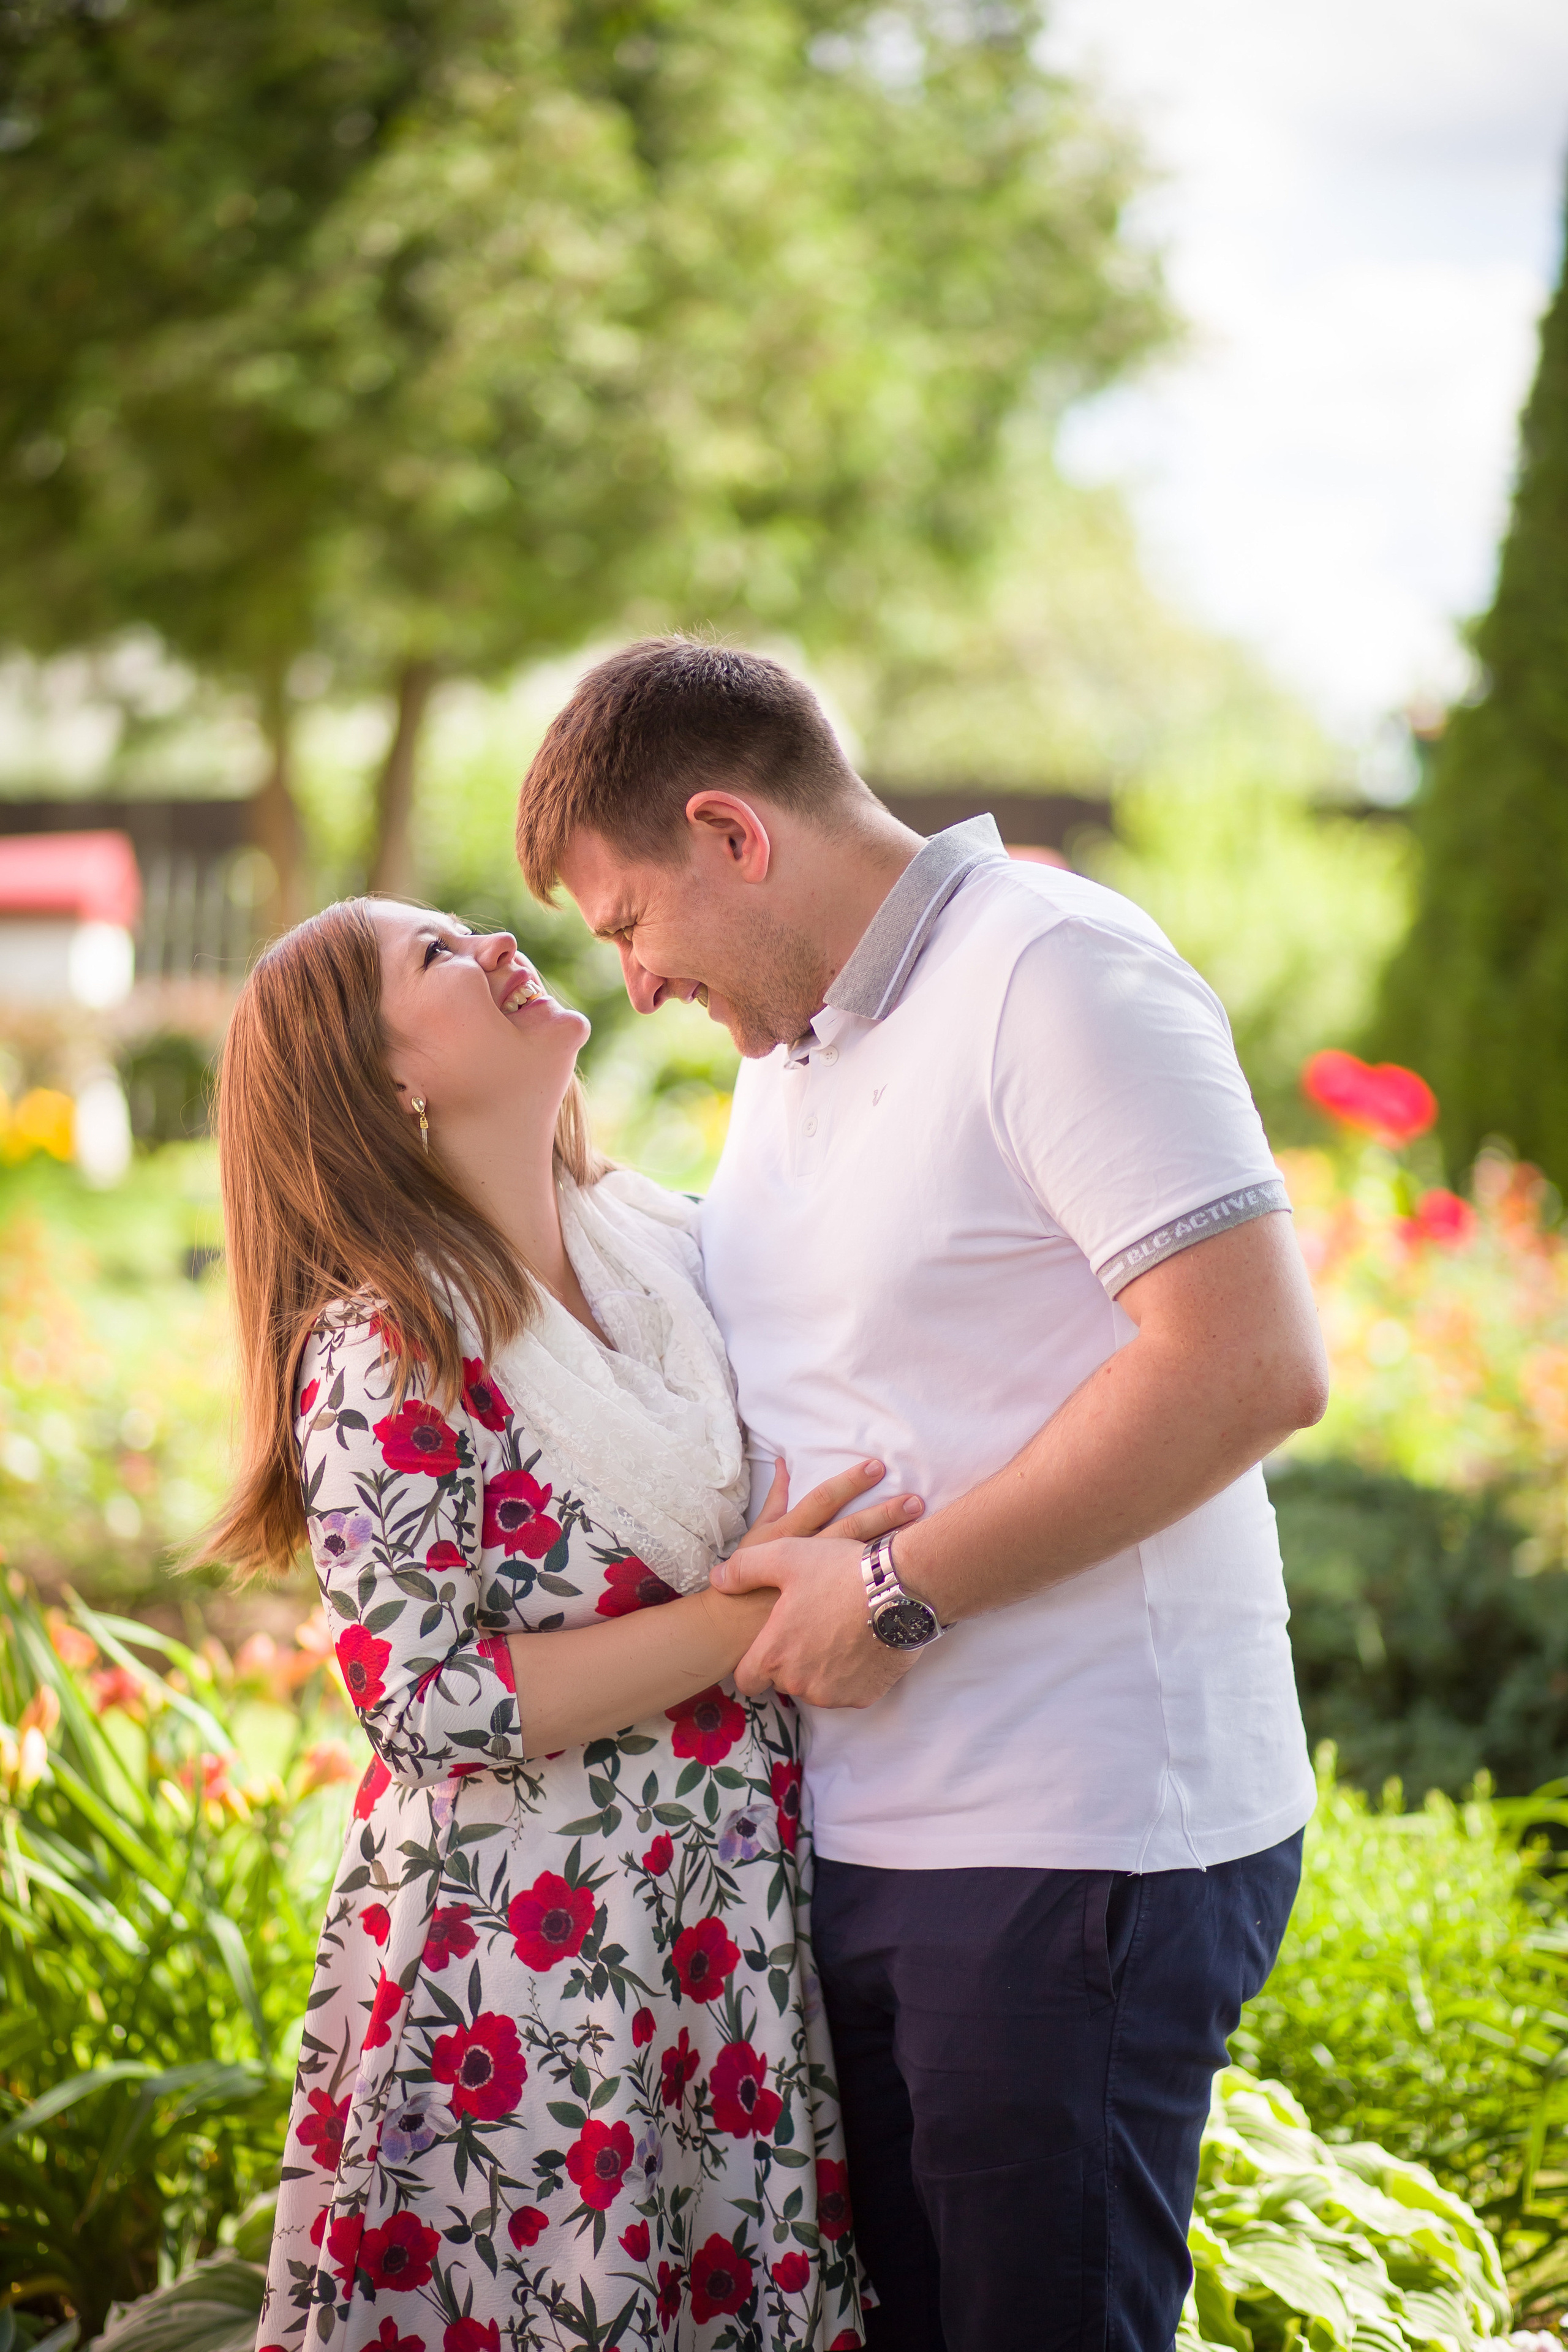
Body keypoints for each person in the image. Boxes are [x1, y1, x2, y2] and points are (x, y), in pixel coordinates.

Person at [515, 638, 1333, 2352]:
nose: (637, 984)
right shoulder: (790, 1047)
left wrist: (896, 1594)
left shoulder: (1055, 975)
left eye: (627, 924)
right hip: (873, 1836)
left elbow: (1247, 1363)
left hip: (1070, 1836)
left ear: (732, 832)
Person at [209, 897, 908, 2351]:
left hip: (718, 1935)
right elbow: (425, 1706)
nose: (497, 949)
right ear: (384, 1079)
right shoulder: (388, 1343)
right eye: (438, 959)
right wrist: (746, 1614)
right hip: (526, 1982)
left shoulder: (657, 1250)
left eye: (471, 932)